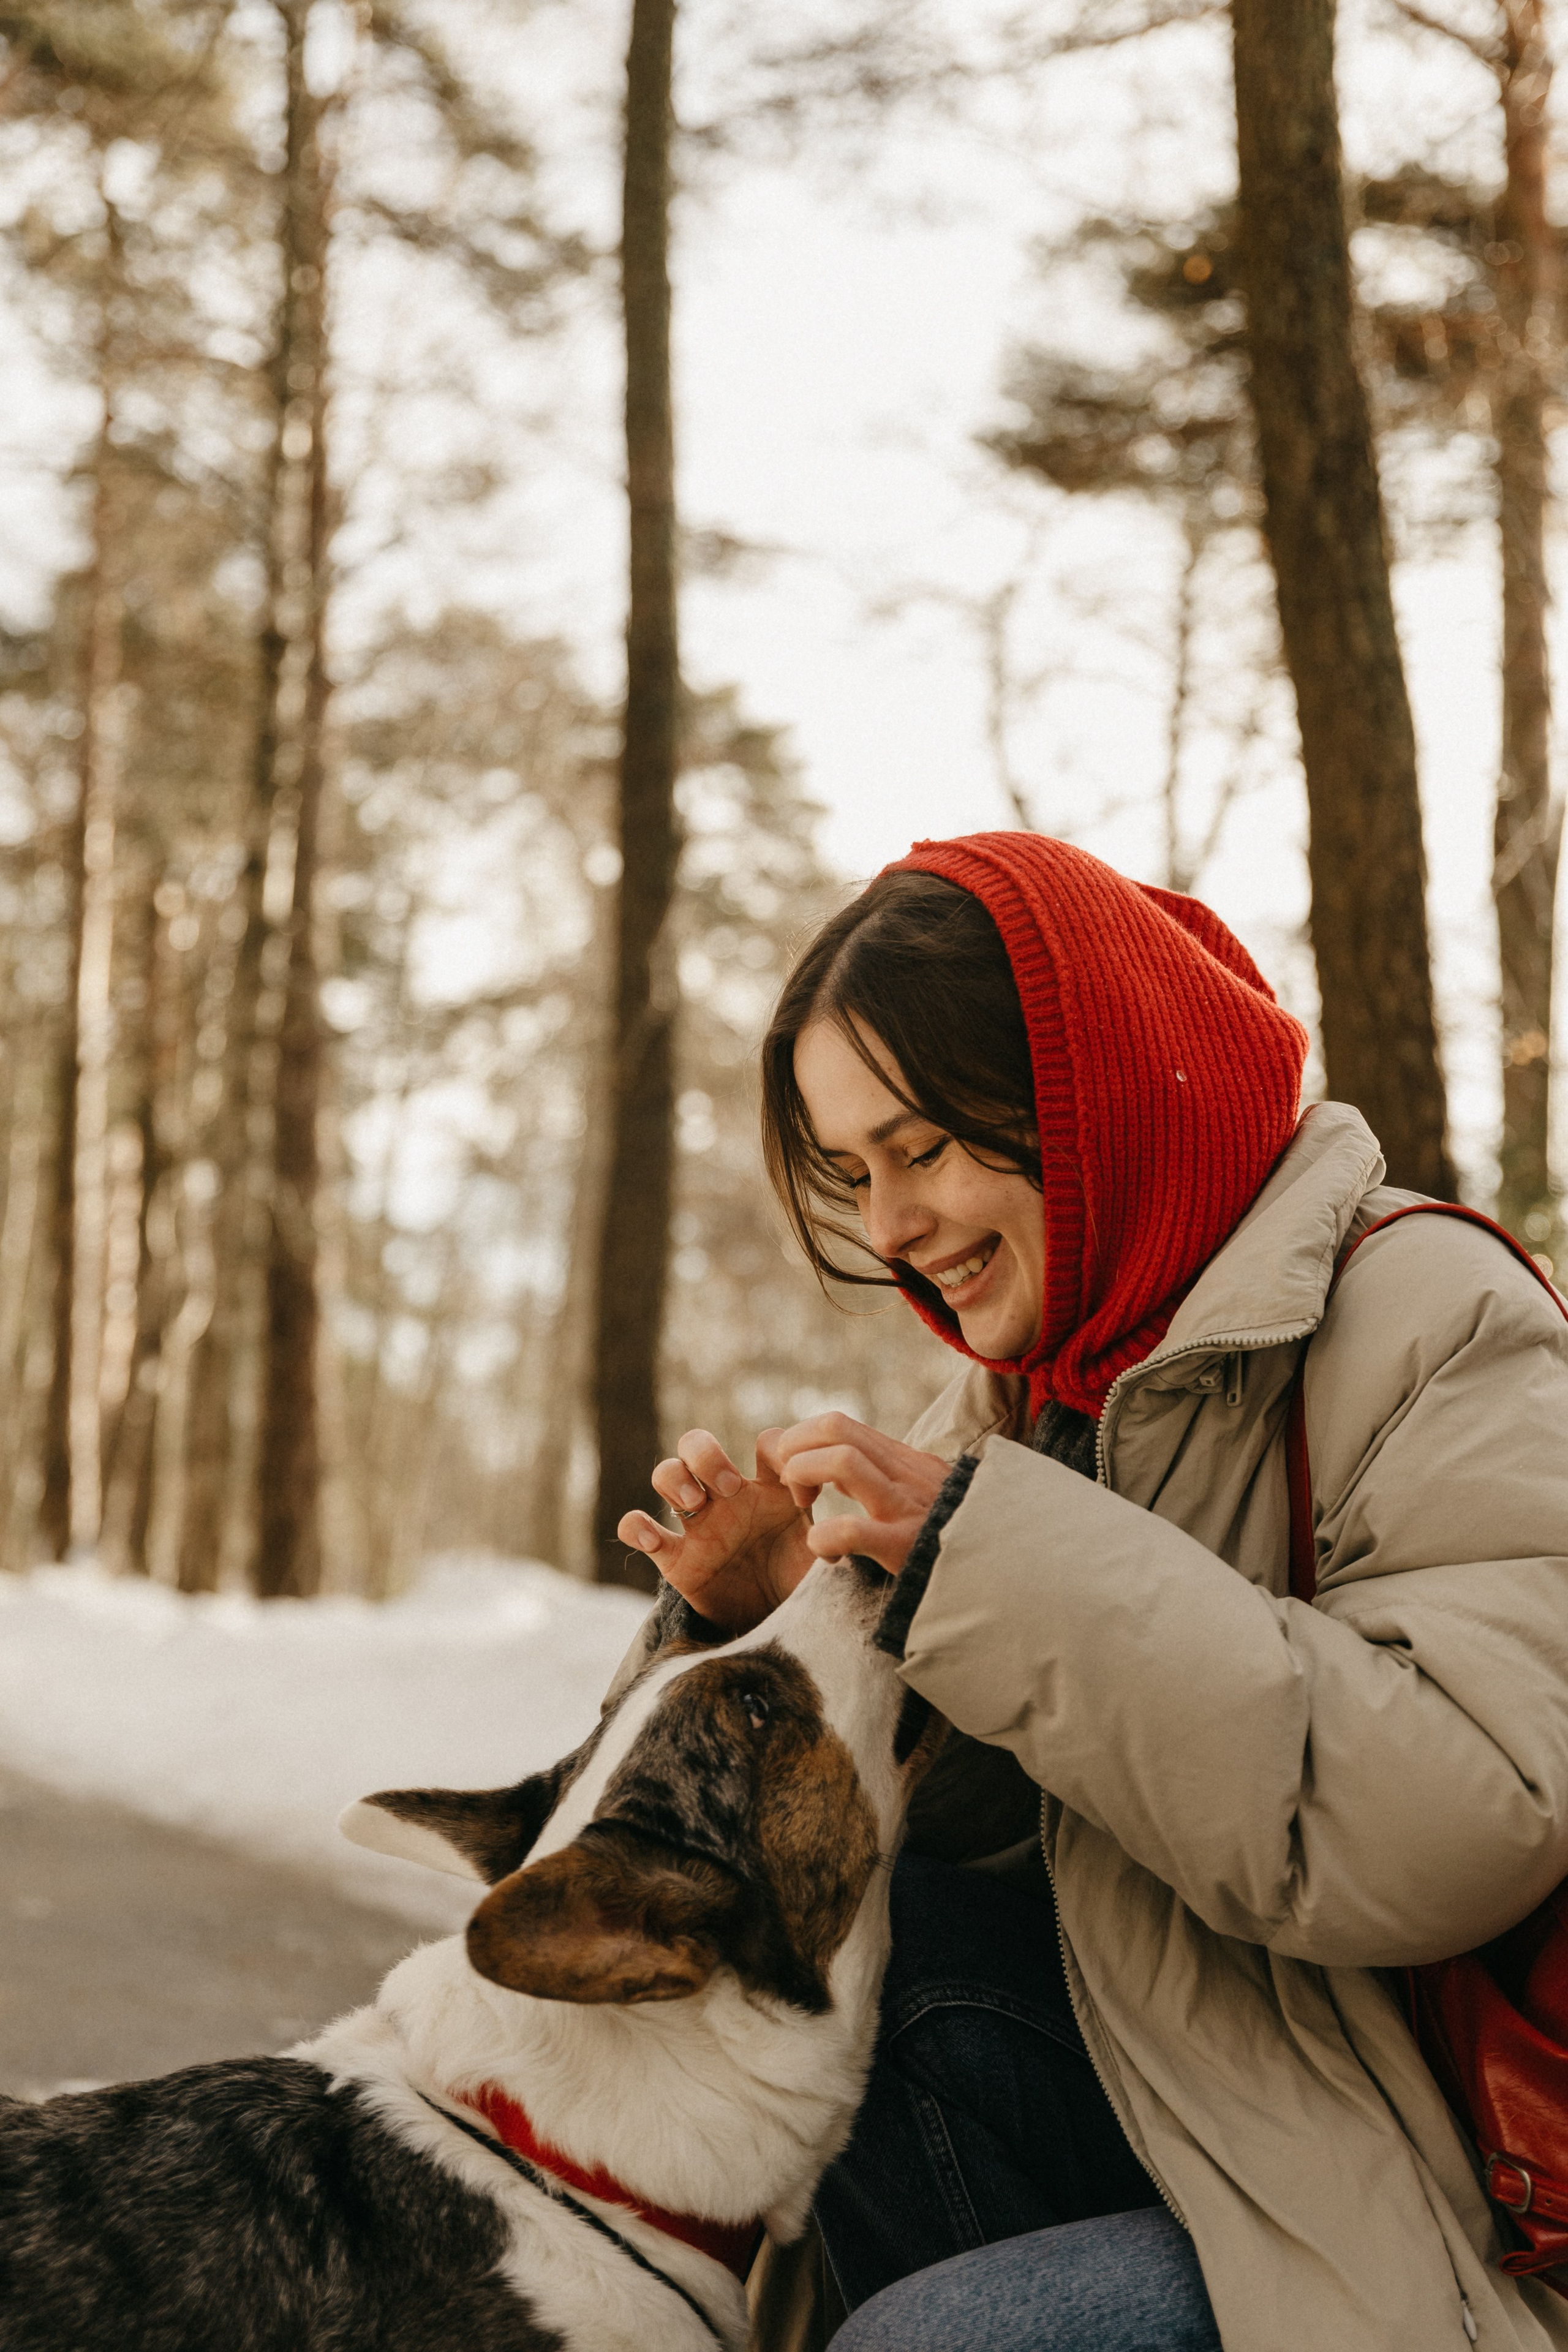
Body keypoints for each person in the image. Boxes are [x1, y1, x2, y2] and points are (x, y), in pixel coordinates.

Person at [612, 831, 1568, 2352]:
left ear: (1087, 1089)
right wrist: (789, 1625)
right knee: (837, 1971)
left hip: (1427, 2179)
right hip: (1180, 2095)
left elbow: (1469, 1812)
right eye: (853, 1175)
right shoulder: (1028, 1389)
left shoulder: (1431, 1313)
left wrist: (989, 1571)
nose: (889, 1230)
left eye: (922, 1149)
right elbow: (964, 1842)